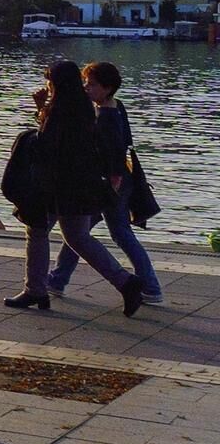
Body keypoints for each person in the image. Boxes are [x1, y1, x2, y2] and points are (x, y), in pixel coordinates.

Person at [4, 59, 145, 316]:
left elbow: (48, 146)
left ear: (56, 84)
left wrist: (39, 116)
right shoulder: (85, 108)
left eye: (50, 82)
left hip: (56, 187)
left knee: (36, 231)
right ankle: (125, 282)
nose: (47, 86)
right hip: (81, 188)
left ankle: (35, 289)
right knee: (78, 237)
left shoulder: (60, 111)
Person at [46, 62, 164, 305]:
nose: (87, 88)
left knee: (93, 232)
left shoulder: (106, 116)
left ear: (107, 88)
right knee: (83, 232)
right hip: (116, 181)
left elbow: (113, 151)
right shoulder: (115, 107)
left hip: (110, 184)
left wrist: (112, 184)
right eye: (85, 83)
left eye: (92, 84)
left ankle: (150, 287)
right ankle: (57, 280)